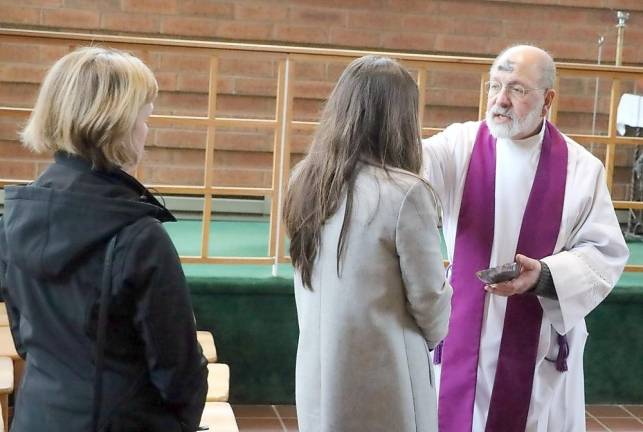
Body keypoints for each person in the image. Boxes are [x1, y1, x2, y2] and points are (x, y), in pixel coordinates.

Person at [423, 44, 629, 432]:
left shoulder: (581, 169)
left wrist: (544, 276)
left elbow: (605, 253)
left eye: (517, 89)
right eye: (494, 86)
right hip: (461, 339)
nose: (500, 100)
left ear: (548, 99)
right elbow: (413, 167)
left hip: (536, 349)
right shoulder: (458, 146)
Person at [0, 47, 207, 431]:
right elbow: (178, 373)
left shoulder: (14, 215)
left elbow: (24, 337)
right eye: (145, 118)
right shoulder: (140, 235)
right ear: (118, 124)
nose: (147, 131)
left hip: (38, 416)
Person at [284, 55, 452, 432]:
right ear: (400, 119)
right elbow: (429, 302)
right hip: (385, 375)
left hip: (321, 364)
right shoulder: (406, 193)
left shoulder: (305, 181)